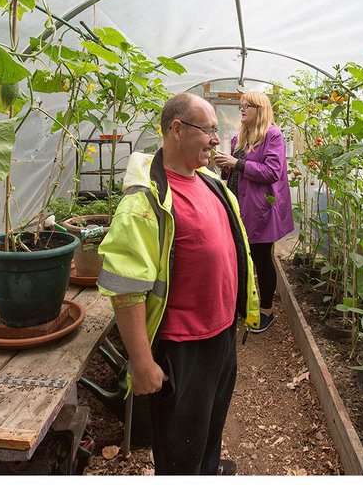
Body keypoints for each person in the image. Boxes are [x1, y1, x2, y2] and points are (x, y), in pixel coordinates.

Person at [97, 92, 260, 476]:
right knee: (179, 443)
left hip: (220, 335)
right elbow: (126, 289)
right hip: (183, 347)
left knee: (210, 424)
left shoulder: (208, 182)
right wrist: (142, 363)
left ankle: (208, 469)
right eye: (209, 131)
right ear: (176, 129)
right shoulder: (145, 201)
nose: (217, 140)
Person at [214, 92, 294, 333]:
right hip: (238, 204)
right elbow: (234, 172)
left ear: (261, 109)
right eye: (241, 106)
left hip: (260, 209)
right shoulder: (239, 137)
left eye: (247, 105)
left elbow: (271, 171)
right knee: (239, 256)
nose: (242, 109)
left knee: (261, 258)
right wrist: (225, 167)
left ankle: (267, 310)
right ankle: (244, 304)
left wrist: (236, 163)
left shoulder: (272, 135)